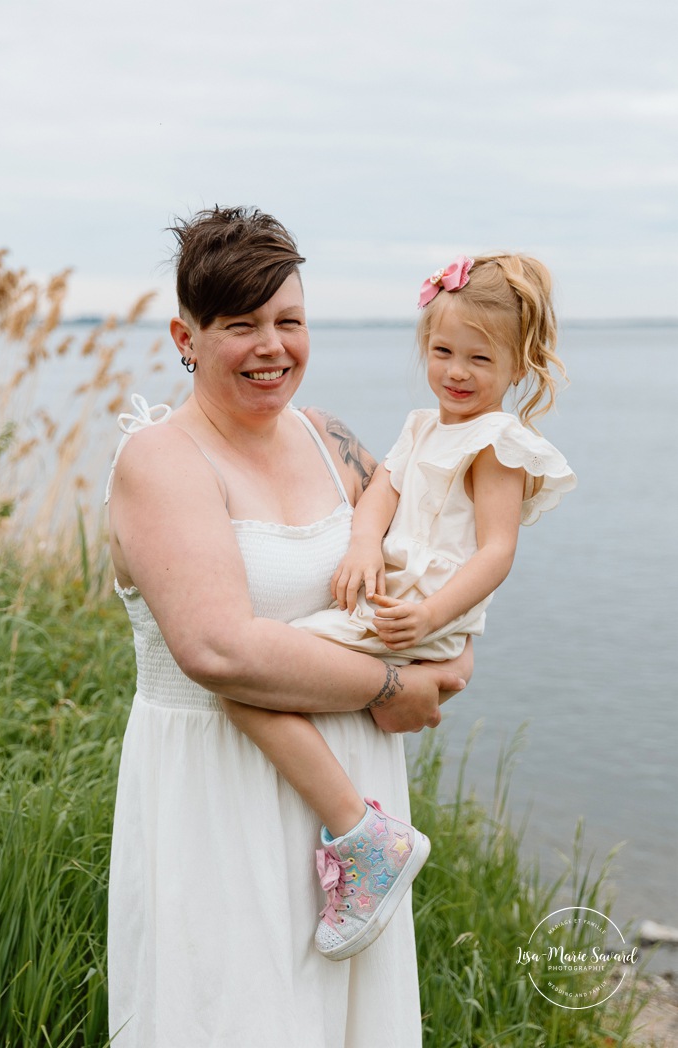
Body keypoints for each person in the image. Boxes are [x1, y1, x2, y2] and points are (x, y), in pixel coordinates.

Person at [105, 205, 471, 1048]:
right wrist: (394, 685)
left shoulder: (331, 438)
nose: (272, 348)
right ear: (184, 336)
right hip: (216, 799)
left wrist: (455, 646)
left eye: (289, 321)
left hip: (354, 799)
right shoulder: (161, 460)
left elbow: (433, 548)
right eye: (241, 326)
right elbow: (218, 648)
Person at [221, 251, 576, 963]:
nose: (456, 372)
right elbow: (380, 493)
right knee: (277, 669)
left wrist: (433, 616)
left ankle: (364, 840)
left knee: (247, 683)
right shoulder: (422, 426)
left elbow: (495, 551)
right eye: (442, 351)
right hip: (393, 605)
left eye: (479, 358)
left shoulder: (495, 444)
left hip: (420, 616)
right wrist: (359, 545)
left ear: (517, 366)